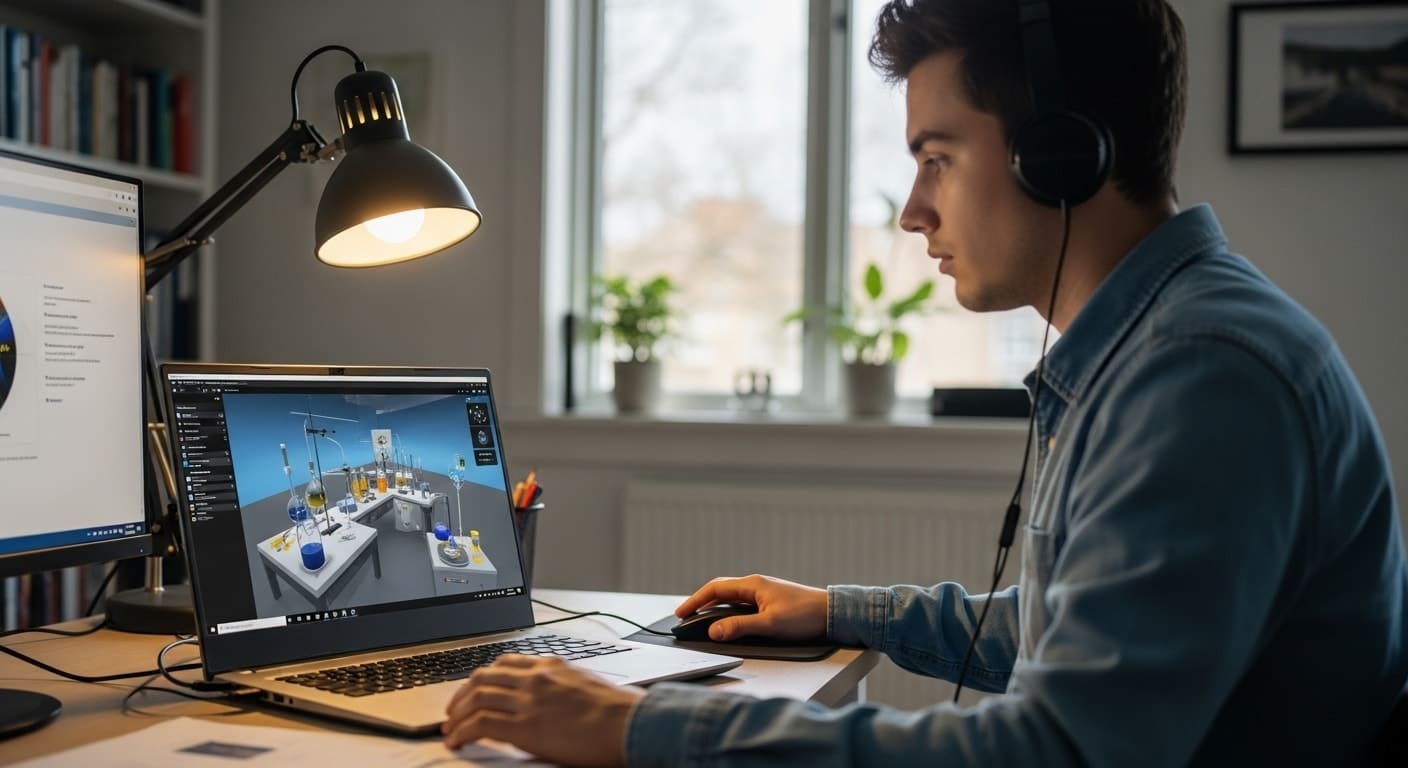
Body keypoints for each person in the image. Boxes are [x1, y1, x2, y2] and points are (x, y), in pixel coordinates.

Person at [442, 0, 1408, 764]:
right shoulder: (1170, 344)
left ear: (1061, 157)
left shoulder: (1200, 377)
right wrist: (842, 609)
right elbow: (1070, 630)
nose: (913, 212)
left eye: (937, 159)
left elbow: (1057, 750)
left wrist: (637, 731)